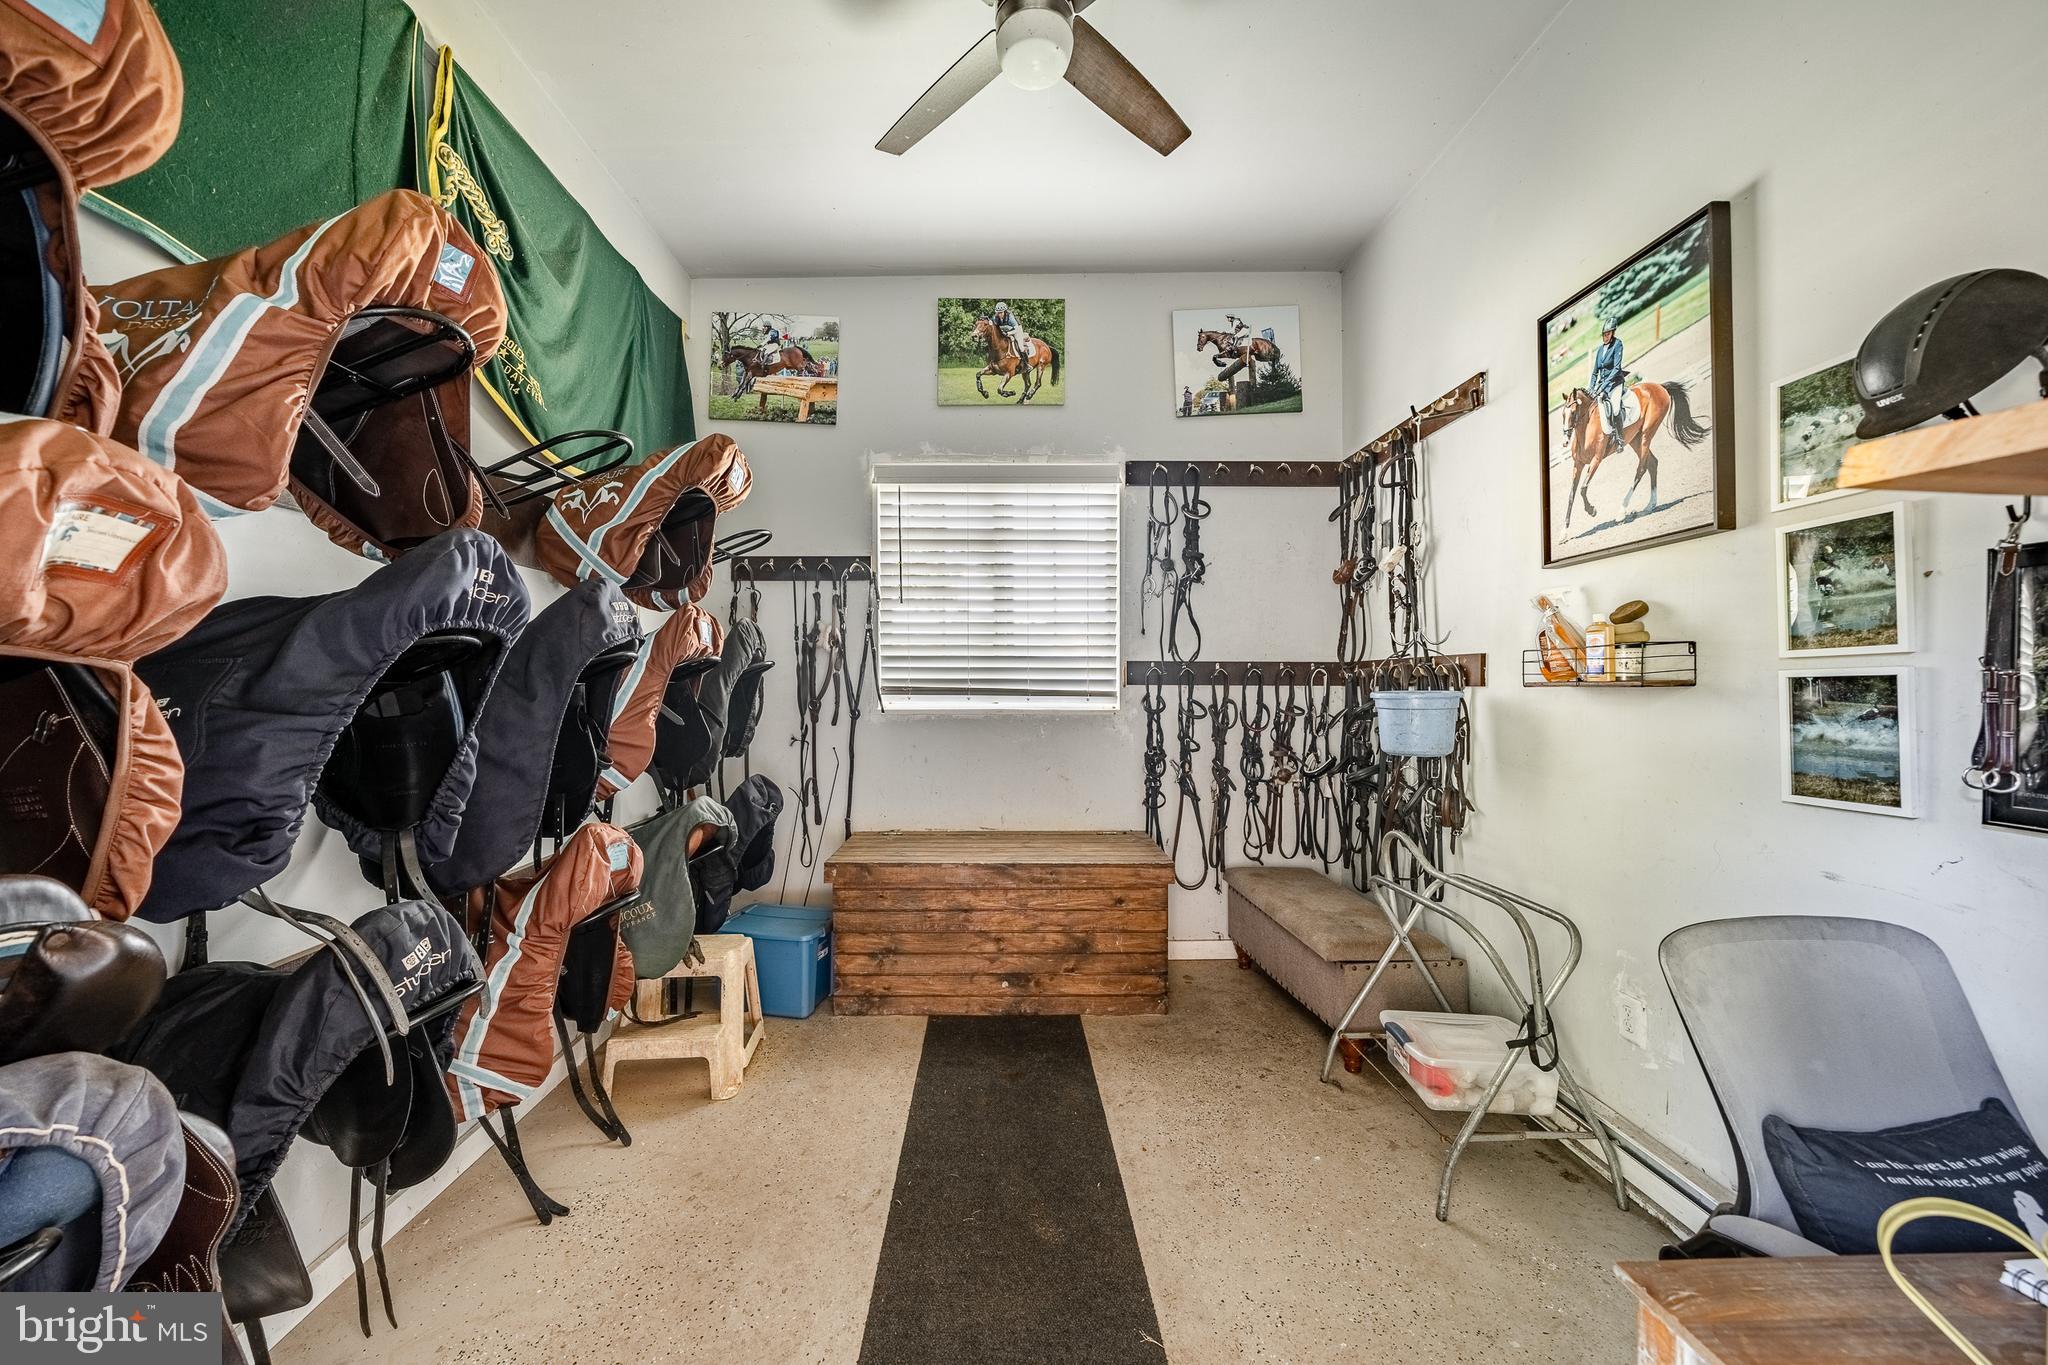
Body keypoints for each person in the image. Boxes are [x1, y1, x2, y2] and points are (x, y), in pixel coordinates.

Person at [1588, 319, 1628, 447]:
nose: (1605, 337)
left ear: (1613, 333)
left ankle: (1620, 439)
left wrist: (1603, 386)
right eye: (1604, 334)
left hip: (1615, 383)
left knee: (1615, 409)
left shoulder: (1618, 344)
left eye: (1608, 334)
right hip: (1602, 385)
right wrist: (1591, 387)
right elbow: (1595, 372)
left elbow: (1616, 368)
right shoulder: (1600, 350)